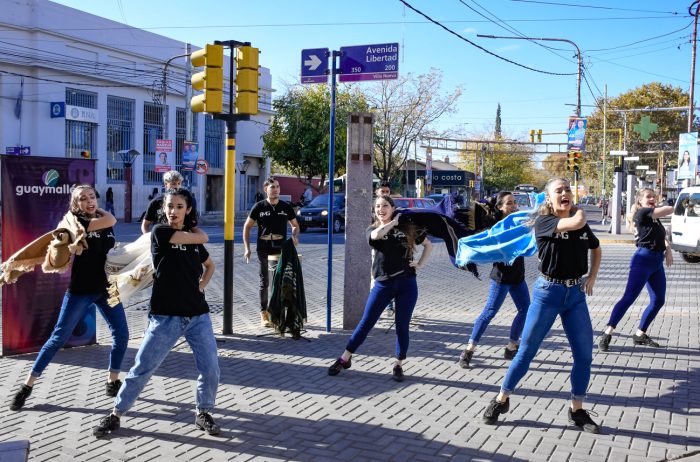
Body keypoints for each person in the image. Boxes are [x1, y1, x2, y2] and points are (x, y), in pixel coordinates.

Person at [93, 188, 219, 437]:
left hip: (198, 316)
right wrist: (195, 230)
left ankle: (203, 412)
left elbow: (210, 264)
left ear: (188, 209)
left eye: (179, 206)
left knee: (210, 368)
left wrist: (202, 285)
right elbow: (203, 237)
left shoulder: (191, 240)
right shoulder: (160, 233)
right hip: (165, 317)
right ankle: (116, 414)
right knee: (143, 367)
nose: (173, 211)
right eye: (169, 206)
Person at [482, 178, 602, 433]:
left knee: (584, 356)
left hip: (575, 295)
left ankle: (577, 410)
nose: (565, 193)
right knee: (526, 351)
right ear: (548, 198)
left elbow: (596, 246)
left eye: (568, 189)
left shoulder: (580, 224)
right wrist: (580, 207)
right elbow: (577, 221)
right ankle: (501, 399)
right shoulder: (545, 221)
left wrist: (592, 276)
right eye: (559, 190)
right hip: (548, 293)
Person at [10, 185, 129, 411]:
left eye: (92, 197)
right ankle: (27, 385)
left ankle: (112, 380)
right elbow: (111, 219)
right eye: (83, 199)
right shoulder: (76, 224)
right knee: (57, 339)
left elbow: (109, 240)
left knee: (122, 335)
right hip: (81, 291)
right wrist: (102, 214)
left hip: (107, 288)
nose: (89, 201)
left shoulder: (103, 221)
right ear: (75, 205)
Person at [327, 195, 433, 381]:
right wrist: (393, 223)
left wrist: (420, 264)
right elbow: (377, 236)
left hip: (407, 283)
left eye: (385, 205)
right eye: (377, 206)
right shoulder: (372, 229)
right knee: (366, 323)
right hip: (383, 283)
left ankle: (398, 364)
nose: (381, 209)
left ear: (392, 208)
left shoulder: (407, 228)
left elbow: (428, 245)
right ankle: (345, 358)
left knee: (402, 326)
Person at [458, 192, 530, 368]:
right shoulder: (496, 227)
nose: (513, 206)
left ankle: (512, 346)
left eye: (514, 203)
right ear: (500, 207)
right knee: (489, 312)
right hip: (501, 278)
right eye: (509, 204)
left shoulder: (519, 222)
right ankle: (468, 350)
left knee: (525, 309)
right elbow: (483, 240)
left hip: (518, 276)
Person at [598, 188, 673, 351]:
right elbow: (668, 209)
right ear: (640, 201)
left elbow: (660, 236)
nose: (652, 198)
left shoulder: (654, 218)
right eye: (648, 197)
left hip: (656, 262)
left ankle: (640, 334)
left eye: (654, 196)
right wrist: (677, 204)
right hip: (643, 260)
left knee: (659, 300)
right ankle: (607, 332)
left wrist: (667, 249)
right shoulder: (643, 213)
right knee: (629, 297)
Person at [243, 177, 300, 327]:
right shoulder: (259, 207)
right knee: (265, 281)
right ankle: (264, 313)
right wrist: (247, 248)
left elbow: (295, 225)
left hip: (281, 248)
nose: (276, 189)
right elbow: (247, 226)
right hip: (263, 248)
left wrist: (294, 235)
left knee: (280, 281)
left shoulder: (285, 207)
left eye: (278, 187)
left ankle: (277, 312)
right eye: (272, 187)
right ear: (266, 189)